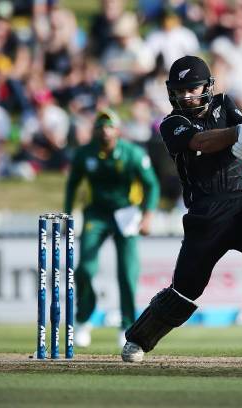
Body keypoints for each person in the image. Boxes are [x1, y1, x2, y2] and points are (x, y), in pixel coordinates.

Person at [121, 55, 242, 364]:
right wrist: (238, 135)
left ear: (207, 86)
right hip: (206, 217)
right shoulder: (171, 124)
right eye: (180, 91)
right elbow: (201, 141)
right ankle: (138, 339)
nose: (186, 96)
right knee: (184, 291)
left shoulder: (224, 104)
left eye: (192, 89)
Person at [64, 109, 160, 348]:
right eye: (101, 126)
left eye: (110, 126)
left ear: (118, 131)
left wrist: (147, 215)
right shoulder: (84, 154)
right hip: (96, 213)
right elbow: (72, 185)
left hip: (126, 213)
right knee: (84, 268)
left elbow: (152, 185)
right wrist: (67, 214)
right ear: (95, 130)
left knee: (128, 272)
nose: (105, 131)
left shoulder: (133, 153)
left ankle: (127, 325)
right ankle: (84, 318)